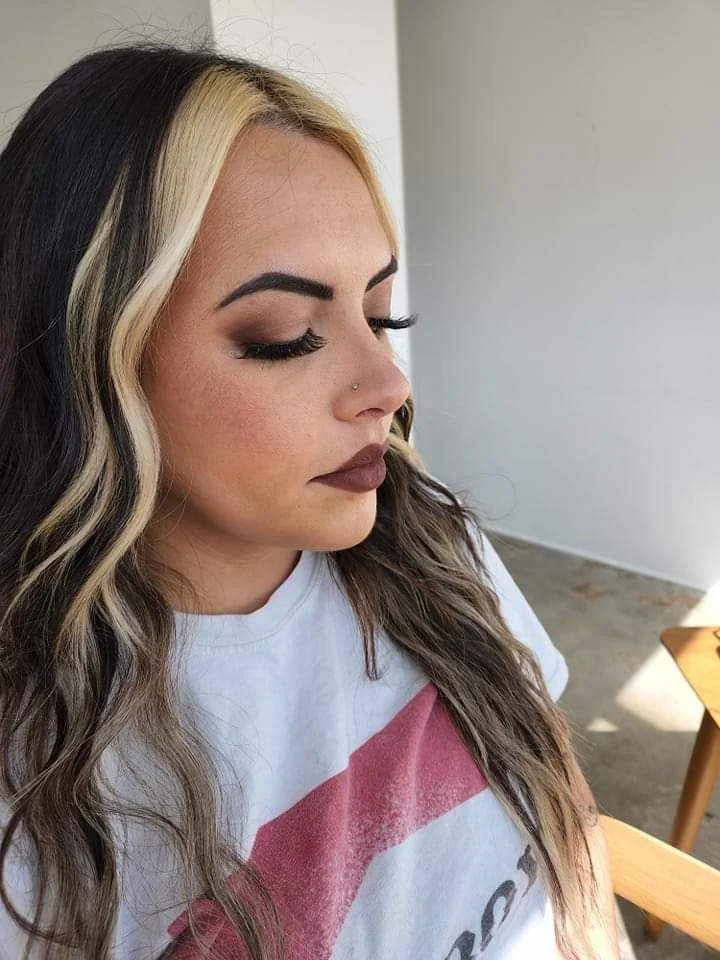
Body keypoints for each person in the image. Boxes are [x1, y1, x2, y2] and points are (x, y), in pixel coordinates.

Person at [0, 41, 619, 960]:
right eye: (287, 336)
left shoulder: (431, 536)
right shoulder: (37, 761)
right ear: (83, 365)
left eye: (380, 316)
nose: (388, 384)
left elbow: (564, 823)